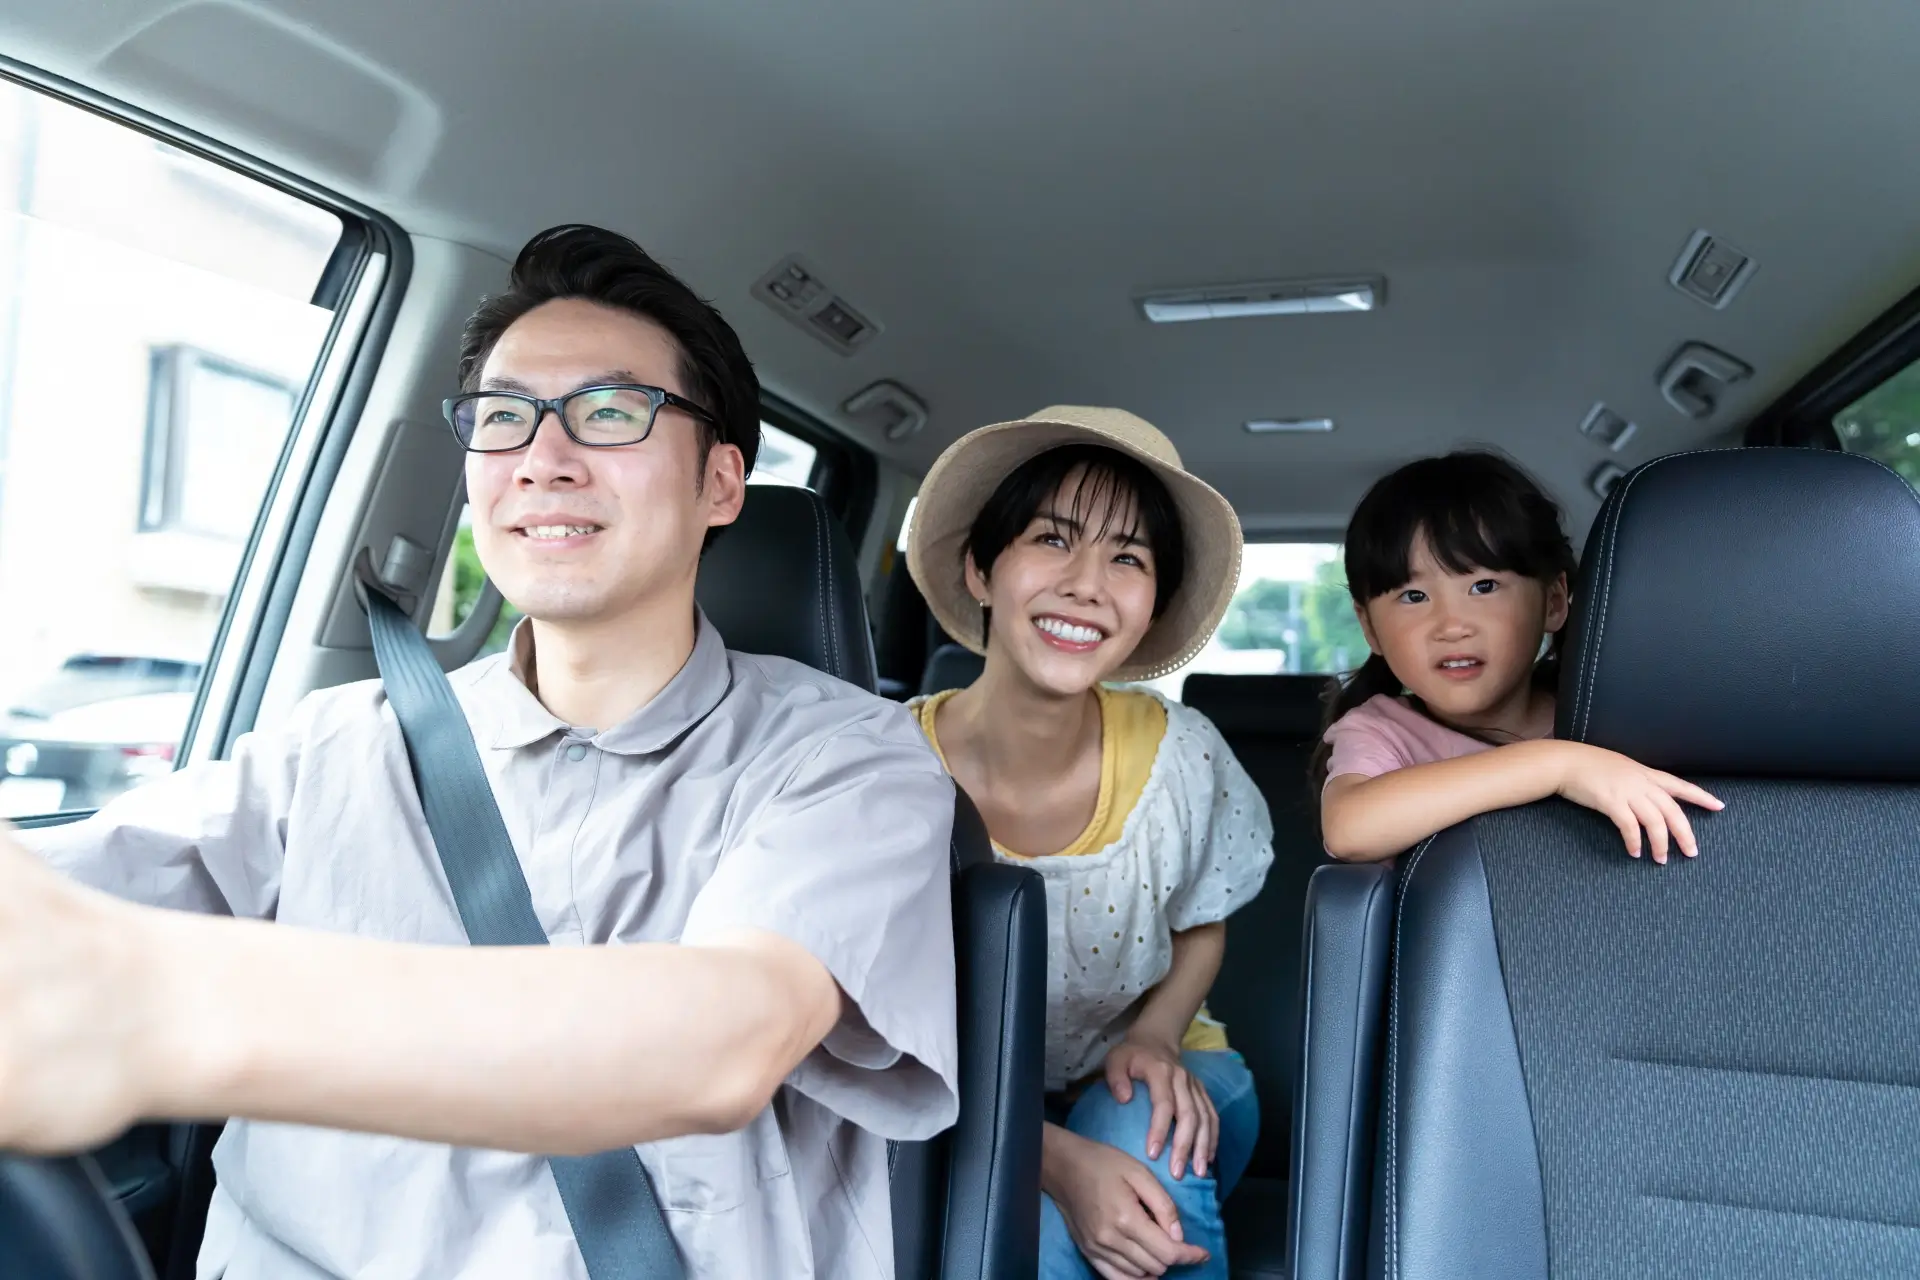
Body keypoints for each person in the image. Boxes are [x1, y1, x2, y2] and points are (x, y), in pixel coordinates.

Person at [0, 225, 959, 1279]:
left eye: (608, 412)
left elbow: (727, 1037)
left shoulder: (851, 760)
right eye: (503, 418)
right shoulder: (338, 743)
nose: (543, 459)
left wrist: (150, 1002)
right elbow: (84, 878)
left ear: (721, 483)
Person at [905, 407, 1273, 1280]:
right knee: (1044, 1229)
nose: (1086, 585)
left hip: (1174, 1073)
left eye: (1128, 558)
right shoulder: (879, 767)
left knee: (1136, 1115)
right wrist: (1051, 1160)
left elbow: (1202, 923)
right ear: (980, 568)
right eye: (1052, 539)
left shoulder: (1182, 756)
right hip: (952, 1109)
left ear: (1151, 607)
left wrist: (1152, 1036)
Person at [1316, 450, 1723, 863]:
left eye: (1484, 587)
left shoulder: (1607, 710)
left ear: (1552, 601)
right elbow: (1348, 828)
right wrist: (1559, 767)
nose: (1452, 626)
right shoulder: (1383, 732)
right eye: (1414, 596)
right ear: (1369, 628)